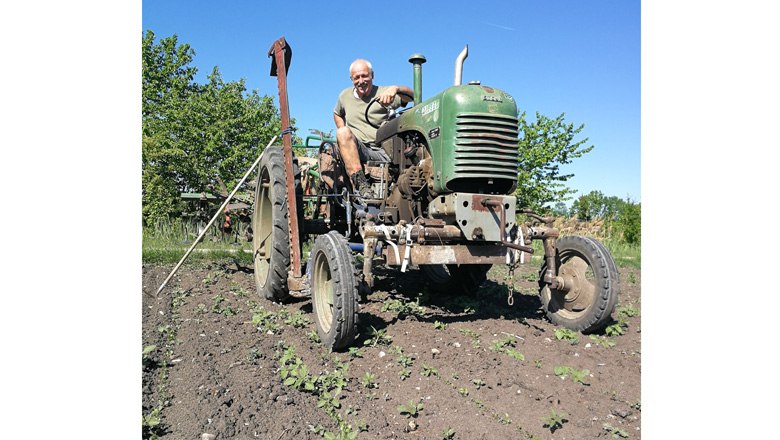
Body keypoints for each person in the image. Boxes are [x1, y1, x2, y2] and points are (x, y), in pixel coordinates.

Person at [333, 59, 413, 198]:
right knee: (342, 132)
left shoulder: (385, 93)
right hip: (359, 149)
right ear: (351, 79)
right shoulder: (344, 96)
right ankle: (362, 186)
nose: (361, 80)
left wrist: (396, 89)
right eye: (356, 77)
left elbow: (412, 96)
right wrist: (344, 137)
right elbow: (337, 114)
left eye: (364, 76)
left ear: (372, 75)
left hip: (382, 150)